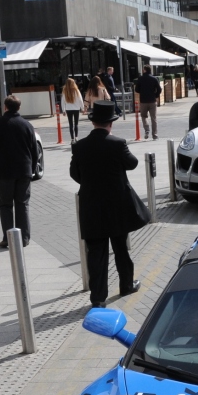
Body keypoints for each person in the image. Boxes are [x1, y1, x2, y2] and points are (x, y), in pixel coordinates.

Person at [69, 100, 145, 308]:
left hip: (91, 207)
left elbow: (75, 174)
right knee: (121, 248)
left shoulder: (80, 146)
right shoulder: (118, 143)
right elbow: (133, 163)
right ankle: (126, 285)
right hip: (117, 207)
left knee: (96, 253)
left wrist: (92, 184)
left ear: (93, 123)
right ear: (110, 123)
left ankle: (98, 299)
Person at [0, 95, 39, 248]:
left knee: (5, 206)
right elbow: (34, 150)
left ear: (5, 107)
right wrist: (31, 170)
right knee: (22, 204)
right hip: (24, 171)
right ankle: (24, 238)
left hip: (4, 172)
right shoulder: (27, 125)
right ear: (19, 108)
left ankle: (8, 238)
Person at [135, 65, 161, 139]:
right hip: (152, 100)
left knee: (143, 116)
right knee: (154, 118)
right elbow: (159, 89)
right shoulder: (154, 79)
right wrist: (155, 95)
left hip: (143, 101)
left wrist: (142, 91)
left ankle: (147, 129)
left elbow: (136, 90)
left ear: (145, 70)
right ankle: (155, 135)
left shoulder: (140, 79)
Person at [62, 75, 83, 141]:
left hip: (68, 109)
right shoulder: (76, 91)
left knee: (70, 124)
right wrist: (82, 108)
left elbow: (63, 101)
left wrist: (63, 110)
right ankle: (76, 137)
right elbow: (80, 100)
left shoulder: (65, 91)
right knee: (76, 124)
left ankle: (72, 138)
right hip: (76, 108)